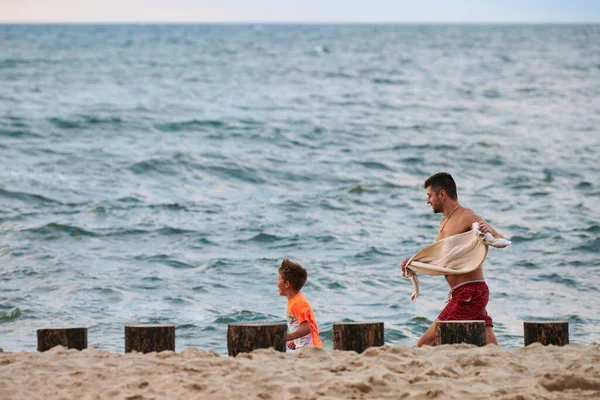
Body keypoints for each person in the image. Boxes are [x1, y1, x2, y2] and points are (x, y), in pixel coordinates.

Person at [401, 172, 504, 347]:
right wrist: (413, 264)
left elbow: (499, 238)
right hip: (464, 293)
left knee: (425, 343)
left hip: (470, 293)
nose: (428, 201)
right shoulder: (443, 222)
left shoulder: (466, 215)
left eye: (429, 195)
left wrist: (487, 232)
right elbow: (441, 259)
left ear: (442, 194)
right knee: (490, 348)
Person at [276, 258, 322, 349]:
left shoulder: (298, 303)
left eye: (278, 279)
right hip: (305, 348)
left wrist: (289, 337)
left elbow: (306, 328)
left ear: (287, 284)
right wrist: (295, 340)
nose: (276, 282)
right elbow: (300, 326)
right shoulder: (295, 301)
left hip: (310, 349)